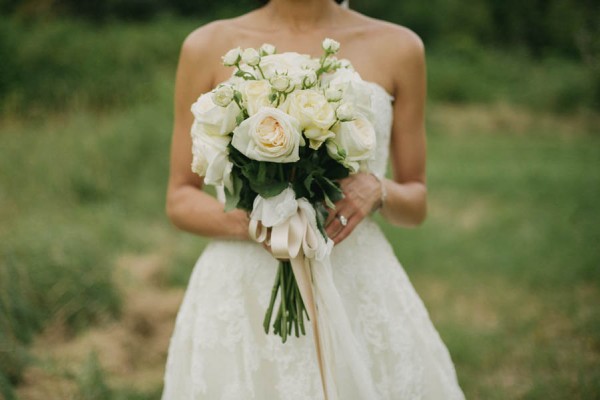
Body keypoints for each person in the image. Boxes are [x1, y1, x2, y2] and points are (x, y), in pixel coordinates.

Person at [163, 0, 465, 398]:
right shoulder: (206, 45)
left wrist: (379, 190)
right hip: (241, 294)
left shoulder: (400, 47)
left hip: (354, 283)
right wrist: (262, 223)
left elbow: (417, 202)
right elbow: (180, 198)